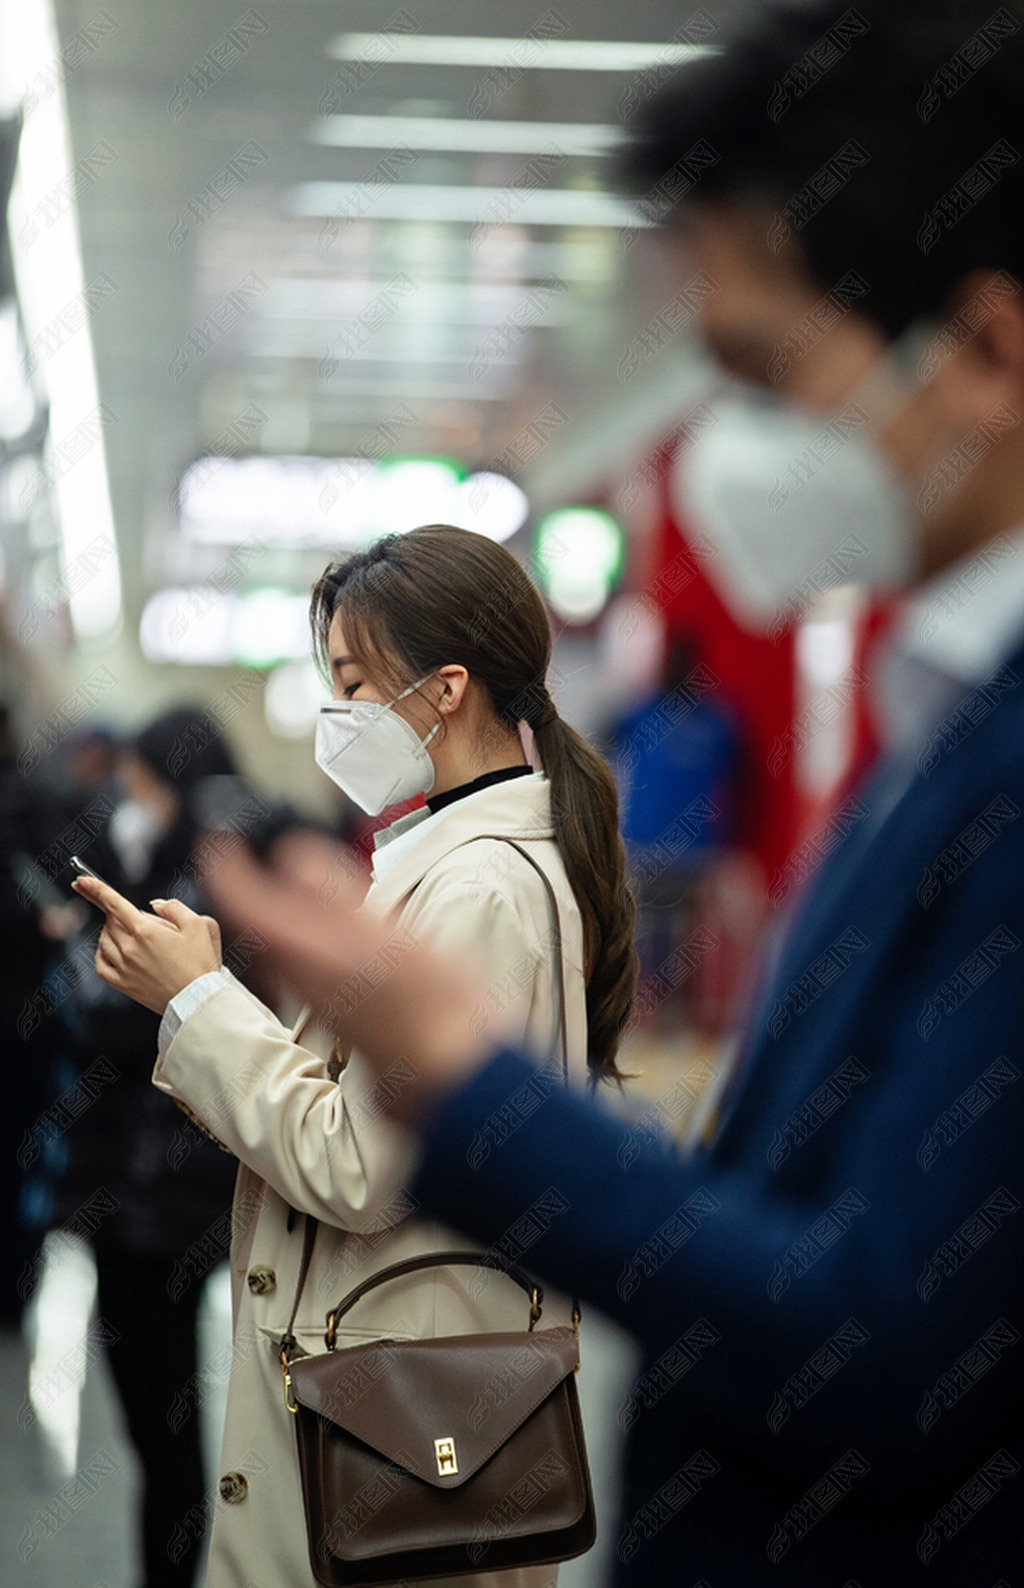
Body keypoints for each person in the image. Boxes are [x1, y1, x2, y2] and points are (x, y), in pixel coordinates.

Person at [80, 3, 1024, 1583]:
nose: (723, 449)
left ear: (985, 351)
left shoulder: (503, 871)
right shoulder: (931, 722)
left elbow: (888, 1330)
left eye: (758, 370)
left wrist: (450, 1070)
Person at [76, 523, 636, 1588]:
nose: (336, 713)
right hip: (422, 1401)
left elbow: (356, 1162)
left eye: (351, 679)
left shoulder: (476, 886)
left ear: (444, 689)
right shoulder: (473, 862)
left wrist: (197, 998)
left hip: (400, 1423)